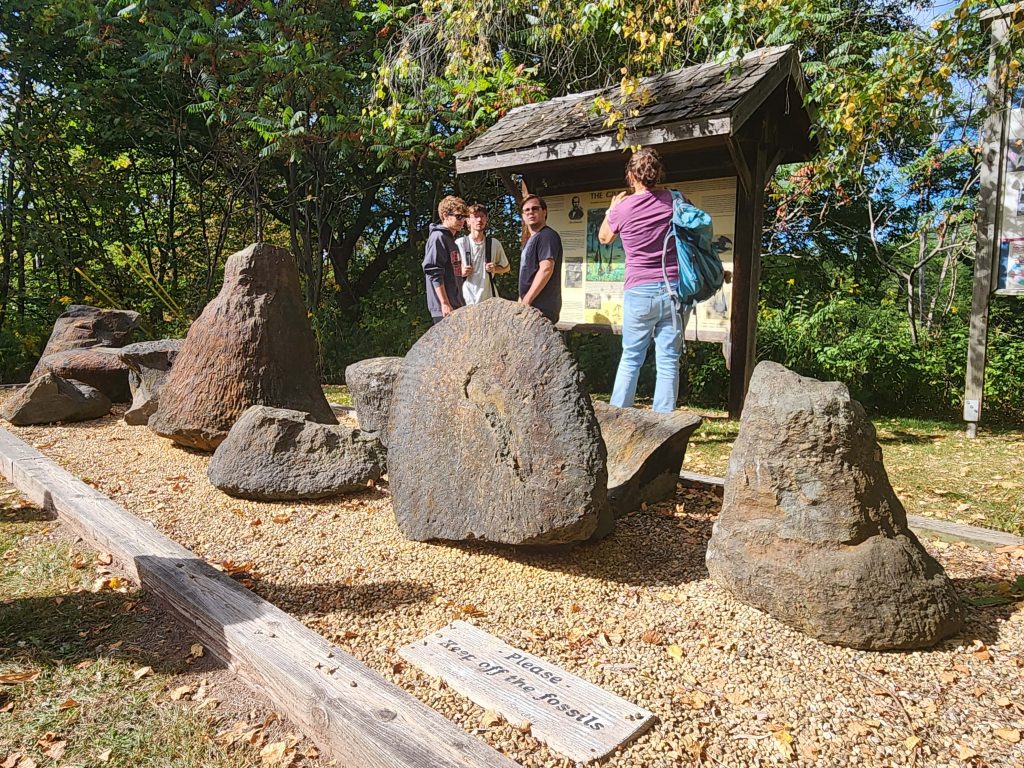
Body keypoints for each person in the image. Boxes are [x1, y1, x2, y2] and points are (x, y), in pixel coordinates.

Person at [599, 147, 684, 413]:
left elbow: (604, 238)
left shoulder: (623, 208)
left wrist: (610, 210)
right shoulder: (675, 199)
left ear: (630, 175)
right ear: (658, 173)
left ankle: (618, 418)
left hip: (639, 290)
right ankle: (664, 426)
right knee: (669, 359)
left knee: (632, 357)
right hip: (674, 288)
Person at [423, 195, 470, 324]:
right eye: (458, 216)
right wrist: (444, 303)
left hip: (456, 304)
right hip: (443, 308)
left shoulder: (450, 240)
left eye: (464, 217)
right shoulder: (438, 237)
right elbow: (433, 271)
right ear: (445, 215)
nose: (462, 221)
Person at [518, 195, 562, 323]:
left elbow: (546, 269)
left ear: (544, 211)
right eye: (526, 210)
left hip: (542, 308)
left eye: (535, 208)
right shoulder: (530, 240)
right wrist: (521, 301)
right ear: (522, 216)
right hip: (531, 307)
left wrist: (526, 301)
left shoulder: (547, 236)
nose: (530, 212)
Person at [457, 204, 510, 305]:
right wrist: (461, 272)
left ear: (486, 219)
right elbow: (449, 273)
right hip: (465, 300)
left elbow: (506, 268)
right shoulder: (460, 244)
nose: (479, 220)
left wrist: (494, 269)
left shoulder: (494, 243)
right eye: (475, 216)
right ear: (467, 220)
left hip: (489, 300)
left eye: (482, 216)